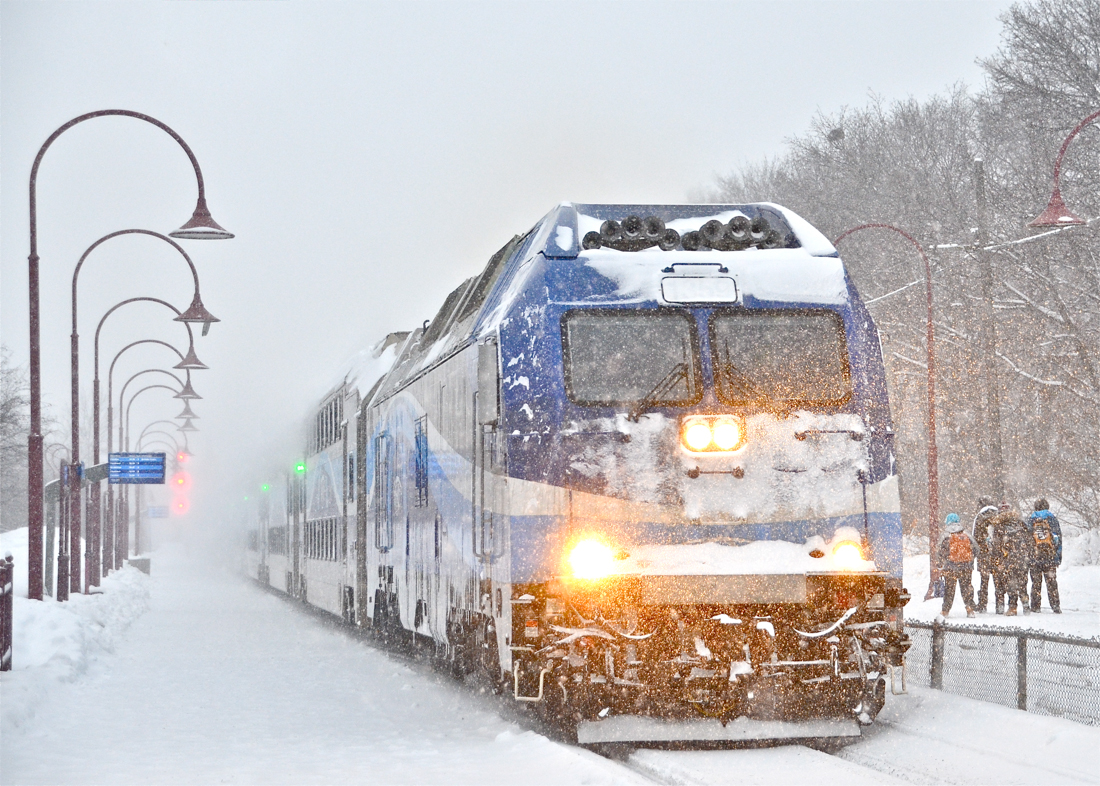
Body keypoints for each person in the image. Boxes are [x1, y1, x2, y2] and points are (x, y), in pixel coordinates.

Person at [991, 503, 1033, 616]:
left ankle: (1013, 608)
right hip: (1022, 558)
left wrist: (997, 561)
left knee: (1011, 583)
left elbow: (997, 547)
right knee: (1023, 583)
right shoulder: (1020, 524)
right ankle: (1026, 605)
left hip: (1008, 559)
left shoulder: (999, 526)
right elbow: (1029, 541)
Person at [935, 513, 977, 619]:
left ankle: (945, 611)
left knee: (949, 590)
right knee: (966, 587)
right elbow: (976, 549)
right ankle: (970, 609)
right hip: (966, 567)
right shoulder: (966, 532)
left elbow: (940, 551)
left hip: (950, 567)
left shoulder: (945, 534)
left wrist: (940, 563)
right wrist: (970, 559)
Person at [1028, 498, 1063, 613]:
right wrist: (1057, 557)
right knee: (1052, 583)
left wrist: (1029, 557)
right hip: (1050, 557)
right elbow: (1058, 538)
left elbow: (1027, 540)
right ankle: (1055, 605)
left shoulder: (1031, 519)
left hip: (1035, 557)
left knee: (1036, 583)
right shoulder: (1052, 518)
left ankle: (1035, 606)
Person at [972, 496, 998, 612]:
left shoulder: (979, 517)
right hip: (997, 553)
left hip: (983, 553)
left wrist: (977, 553)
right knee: (998, 580)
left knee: (984, 580)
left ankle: (983, 604)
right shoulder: (998, 515)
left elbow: (975, 537)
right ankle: (1000, 605)